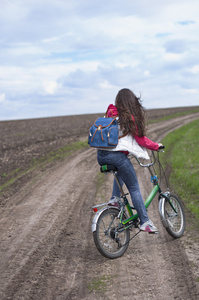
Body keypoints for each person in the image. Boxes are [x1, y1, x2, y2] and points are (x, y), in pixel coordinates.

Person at [97, 88, 164, 233]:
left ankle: (114, 200)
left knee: (120, 171)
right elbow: (141, 139)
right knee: (134, 188)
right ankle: (145, 221)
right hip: (116, 156)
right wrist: (155, 146)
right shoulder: (128, 118)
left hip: (101, 156)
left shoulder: (109, 114)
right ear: (131, 102)